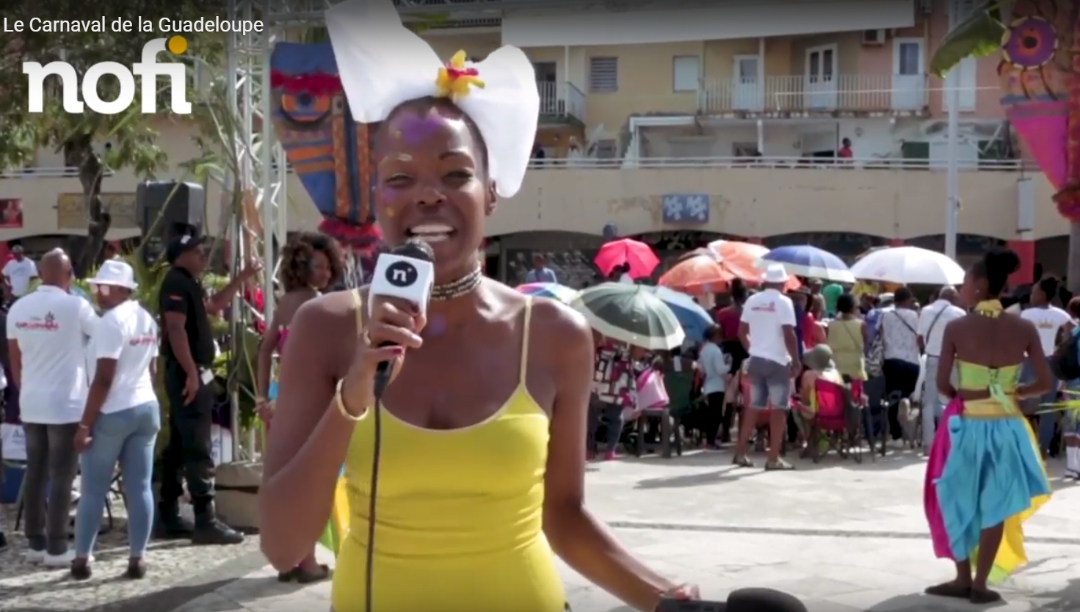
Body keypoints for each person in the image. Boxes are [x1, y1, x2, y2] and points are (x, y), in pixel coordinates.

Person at [259, 4, 699, 610]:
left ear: (491, 192)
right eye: (399, 176)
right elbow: (284, 547)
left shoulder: (554, 335)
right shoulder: (326, 327)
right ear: (375, 196)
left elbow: (565, 519)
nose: (428, 193)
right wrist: (353, 396)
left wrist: (672, 600)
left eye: (455, 173)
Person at [925, 249, 1052, 605]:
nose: (963, 288)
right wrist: (1012, 391)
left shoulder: (957, 326)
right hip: (1007, 426)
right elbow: (1043, 381)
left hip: (966, 425)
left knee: (955, 499)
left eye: (965, 282)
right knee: (996, 504)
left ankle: (962, 578)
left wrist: (966, 393)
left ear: (979, 285)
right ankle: (981, 584)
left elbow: (942, 385)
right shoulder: (1024, 326)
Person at [157, 228, 260, 545]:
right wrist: (190, 372)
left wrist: (242, 277)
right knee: (198, 446)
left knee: (179, 445)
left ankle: (167, 514)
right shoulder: (175, 281)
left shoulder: (190, 282)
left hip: (193, 371)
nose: (203, 255)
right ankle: (206, 520)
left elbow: (214, 305)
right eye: (197, 251)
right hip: (187, 372)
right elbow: (175, 329)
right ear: (181, 256)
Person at [255, 231, 342, 582]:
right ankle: (305, 560)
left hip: (280, 395)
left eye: (326, 267)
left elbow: (265, 350)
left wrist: (263, 397)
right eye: (318, 267)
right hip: (303, 397)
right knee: (311, 479)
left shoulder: (287, 301)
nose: (324, 273)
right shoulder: (315, 304)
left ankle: (289, 559)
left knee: (285, 478)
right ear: (302, 267)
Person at [69, 260, 160, 580]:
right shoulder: (146, 319)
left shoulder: (111, 323)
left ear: (122, 290)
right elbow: (152, 369)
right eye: (97, 286)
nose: (98, 292)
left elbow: (104, 379)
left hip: (113, 410)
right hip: (146, 406)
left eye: (104, 287)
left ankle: (82, 558)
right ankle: (138, 557)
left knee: (93, 489)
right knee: (139, 487)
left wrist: (84, 425)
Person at [7, 249, 97, 565]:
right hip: (66, 403)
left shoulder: (18, 308)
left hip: (31, 400)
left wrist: (27, 388)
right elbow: (102, 341)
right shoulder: (77, 306)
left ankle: (35, 543)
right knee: (62, 474)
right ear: (68, 272)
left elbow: (14, 362)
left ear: (40, 273)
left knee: (36, 471)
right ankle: (57, 547)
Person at [734, 264, 801, 470]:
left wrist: (752, 348)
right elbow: (789, 334)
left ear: (765, 281)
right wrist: (796, 360)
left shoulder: (752, 300)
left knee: (754, 406)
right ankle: (773, 458)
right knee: (779, 409)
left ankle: (740, 453)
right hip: (778, 361)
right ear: (782, 283)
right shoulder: (784, 302)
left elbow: (741, 332)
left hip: (757, 359)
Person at [1019, 276, 1073, 456]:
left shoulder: (1027, 314)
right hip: (1050, 362)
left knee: (1024, 405)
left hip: (1030, 361)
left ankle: (1024, 446)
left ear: (1042, 294)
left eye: (1034, 292)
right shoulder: (1060, 314)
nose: (1031, 295)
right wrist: (1061, 350)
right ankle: (1043, 449)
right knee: (1047, 408)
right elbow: (1072, 331)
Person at [917, 286, 965, 451]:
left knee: (929, 402)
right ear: (952, 296)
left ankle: (929, 443)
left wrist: (928, 349)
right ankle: (951, 441)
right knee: (953, 400)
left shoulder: (925, 310)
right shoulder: (959, 313)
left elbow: (919, 337)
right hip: (953, 360)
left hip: (932, 359)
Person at [880, 287, 920, 440]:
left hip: (892, 360)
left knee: (892, 398)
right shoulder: (915, 316)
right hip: (912, 362)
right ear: (908, 300)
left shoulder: (886, 316)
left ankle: (895, 435)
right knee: (907, 394)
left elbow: (881, 336)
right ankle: (906, 409)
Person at [826, 293, 866, 397]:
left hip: (836, 367)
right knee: (855, 399)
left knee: (838, 398)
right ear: (852, 308)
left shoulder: (830, 325)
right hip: (855, 368)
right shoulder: (861, 324)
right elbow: (867, 344)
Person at [698, 325, 730, 448]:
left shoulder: (704, 349)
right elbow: (721, 369)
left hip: (708, 385)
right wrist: (729, 365)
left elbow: (701, 368)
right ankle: (711, 440)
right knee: (716, 415)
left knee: (712, 414)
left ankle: (710, 439)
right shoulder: (716, 350)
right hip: (717, 385)